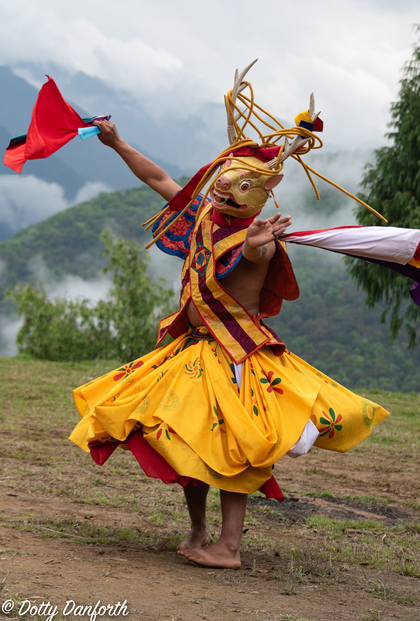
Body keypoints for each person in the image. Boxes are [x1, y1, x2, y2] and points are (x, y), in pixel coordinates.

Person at [68, 115, 390, 569]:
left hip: (237, 355)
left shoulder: (261, 242)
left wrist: (257, 242)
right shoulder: (202, 214)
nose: (223, 190)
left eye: (239, 187)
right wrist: (117, 143)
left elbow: (258, 254)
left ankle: (230, 548)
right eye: (222, 181)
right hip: (194, 349)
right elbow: (158, 178)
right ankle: (200, 530)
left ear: (260, 194)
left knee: (232, 450)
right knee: (185, 441)